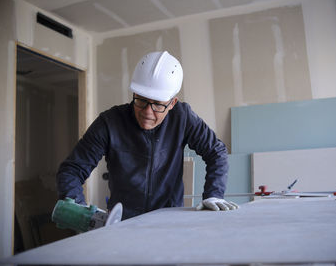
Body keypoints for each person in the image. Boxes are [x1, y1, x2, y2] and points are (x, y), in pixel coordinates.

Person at [56, 50, 238, 220]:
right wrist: (77, 209)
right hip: (122, 221)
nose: (148, 112)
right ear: (134, 92)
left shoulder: (182, 117)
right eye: (141, 100)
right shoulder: (109, 123)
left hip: (169, 219)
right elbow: (71, 170)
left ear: (172, 103)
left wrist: (214, 194)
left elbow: (216, 152)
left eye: (158, 104)